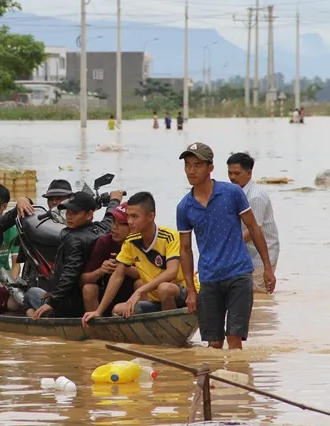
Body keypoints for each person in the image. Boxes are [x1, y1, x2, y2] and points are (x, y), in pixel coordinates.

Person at [175, 142, 276, 350]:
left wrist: (267, 267)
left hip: (238, 273)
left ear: (210, 168)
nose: (191, 171)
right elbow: (184, 249)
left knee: (234, 339)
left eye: (197, 165)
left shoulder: (231, 193)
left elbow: (254, 228)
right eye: (187, 165)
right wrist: (191, 290)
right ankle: (214, 383)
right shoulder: (184, 207)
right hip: (209, 278)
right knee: (213, 343)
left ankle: (238, 378)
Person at [83, 192, 197, 323]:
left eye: (135, 216)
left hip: (182, 294)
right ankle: (158, 329)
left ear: (150, 216)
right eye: (128, 216)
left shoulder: (170, 236)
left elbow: (172, 272)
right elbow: (117, 276)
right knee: (118, 309)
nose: (130, 221)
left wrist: (140, 291)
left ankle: (171, 326)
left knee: (164, 288)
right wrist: (99, 311)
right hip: (155, 299)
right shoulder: (131, 241)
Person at [27, 190, 123, 319]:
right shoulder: (100, 230)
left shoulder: (74, 239)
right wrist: (115, 201)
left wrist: (52, 302)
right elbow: (109, 218)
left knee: (29, 294)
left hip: (68, 303)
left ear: (89, 214)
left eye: (75, 213)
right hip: (84, 296)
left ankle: (37, 324)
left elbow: (70, 274)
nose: (69, 216)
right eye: (68, 212)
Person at [227, 153, 280, 293]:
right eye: (230, 173)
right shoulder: (235, 193)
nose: (232, 177)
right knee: (248, 295)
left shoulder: (255, 197)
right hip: (246, 254)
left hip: (262, 255)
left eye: (237, 173)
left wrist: (227, 247)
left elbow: (253, 230)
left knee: (258, 298)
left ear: (249, 173)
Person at [79, 202, 137, 314]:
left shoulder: (139, 242)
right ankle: (96, 327)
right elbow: (82, 281)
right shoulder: (104, 242)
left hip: (133, 298)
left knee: (140, 283)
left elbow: (148, 276)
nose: (114, 228)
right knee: (89, 288)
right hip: (106, 299)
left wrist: (122, 266)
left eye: (120, 224)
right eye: (113, 222)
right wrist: (100, 271)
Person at [0, 183, 22, 280]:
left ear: (4, 206)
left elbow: (16, 263)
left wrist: (12, 281)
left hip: (3, 276)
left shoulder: (12, 230)